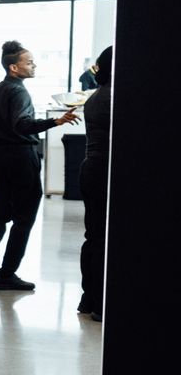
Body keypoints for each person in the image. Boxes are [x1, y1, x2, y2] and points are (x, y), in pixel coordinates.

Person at [0, 39, 80, 292]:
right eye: (29, 62)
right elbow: (22, 125)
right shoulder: (19, 92)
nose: (34, 65)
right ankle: (7, 273)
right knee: (24, 218)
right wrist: (54, 123)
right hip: (21, 157)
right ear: (14, 68)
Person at [78, 47, 112, 321]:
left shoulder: (96, 97)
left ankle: (89, 298)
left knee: (94, 235)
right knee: (105, 238)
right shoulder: (117, 97)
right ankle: (102, 302)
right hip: (106, 172)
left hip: (91, 169)